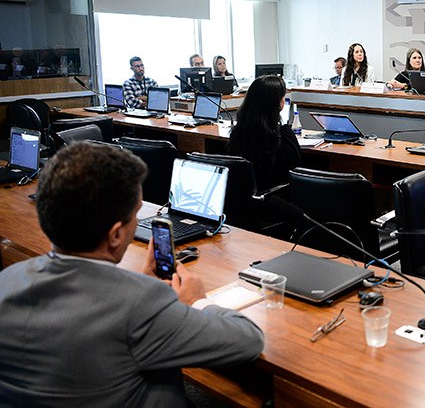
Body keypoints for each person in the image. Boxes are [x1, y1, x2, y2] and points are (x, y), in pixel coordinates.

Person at [0, 142, 264, 406]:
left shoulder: (6, 281)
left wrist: (143, 284)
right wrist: (197, 301)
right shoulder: (140, 305)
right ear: (115, 234)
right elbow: (247, 340)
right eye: (136, 213)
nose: (138, 222)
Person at [228, 74, 301, 191]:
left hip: (244, 198)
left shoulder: (237, 133)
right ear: (277, 103)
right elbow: (296, 170)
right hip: (276, 198)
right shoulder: (284, 135)